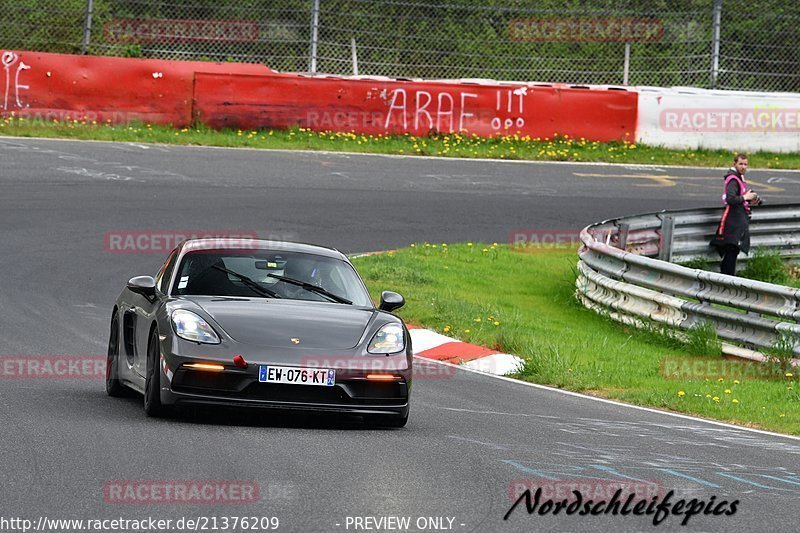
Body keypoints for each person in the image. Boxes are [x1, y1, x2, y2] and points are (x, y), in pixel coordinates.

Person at [710, 153, 761, 275]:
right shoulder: (733, 179)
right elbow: (731, 199)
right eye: (741, 164)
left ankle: (728, 279)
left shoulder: (739, 178)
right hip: (732, 222)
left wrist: (750, 199)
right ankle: (727, 279)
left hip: (737, 221)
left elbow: (740, 198)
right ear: (734, 164)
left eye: (745, 164)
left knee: (733, 250)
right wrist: (745, 197)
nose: (743, 167)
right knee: (731, 250)